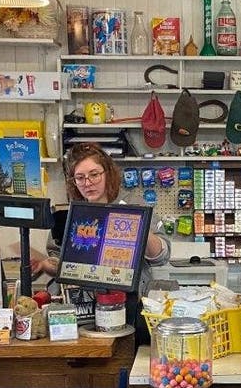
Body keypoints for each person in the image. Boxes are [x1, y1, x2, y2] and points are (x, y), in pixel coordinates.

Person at [33, 143, 170, 341]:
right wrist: (47, 265)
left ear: (107, 173)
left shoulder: (134, 204)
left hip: (127, 305)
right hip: (81, 309)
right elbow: (58, 259)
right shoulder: (68, 215)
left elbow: (162, 255)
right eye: (80, 177)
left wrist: (139, 226)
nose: (87, 182)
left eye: (94, 174)